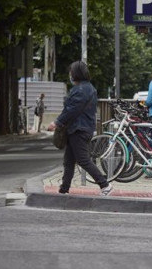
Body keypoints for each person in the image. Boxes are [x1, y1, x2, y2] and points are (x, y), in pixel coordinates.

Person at [47, 61, 113, 196]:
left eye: (71, 72)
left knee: (83, 160)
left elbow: (72, 110)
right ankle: (64, 189)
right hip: (79, 128)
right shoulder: (89, 88)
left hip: (79, 129)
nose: (70, 75)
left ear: (76, 73)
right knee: (69, 161)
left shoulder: (81, 90)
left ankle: (105, 185)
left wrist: (57, 122)